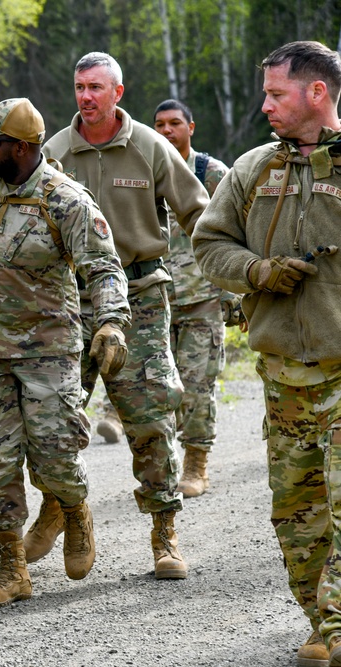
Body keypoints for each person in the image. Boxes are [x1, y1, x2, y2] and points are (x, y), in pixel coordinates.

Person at [193, 40, 341, 667]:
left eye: (277, 94)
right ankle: (320, 622)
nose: (265, 107)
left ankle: (337, 627)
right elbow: (209, 243)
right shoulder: (253, 170)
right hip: (283, 380)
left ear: (317, 93)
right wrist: (255, 271)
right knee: (298, 515)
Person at [39, 52, 209, 580]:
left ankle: (165, 533)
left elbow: (198, 212)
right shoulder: (56, 151)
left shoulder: (150, 146)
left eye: (95, 87)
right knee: (55, 420)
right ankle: (60, 510)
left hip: (139, 298)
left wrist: (227, 280)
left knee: (149, 419)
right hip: (75, 302)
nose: (85, 97)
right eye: (78, 86)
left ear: (117, 91)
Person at [0, 98, 129, 607]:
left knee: (56, 456)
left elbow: (103, 267)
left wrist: (113, 324)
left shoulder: (66, 201)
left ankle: (73, 509)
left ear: (21, 147)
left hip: (49, 353)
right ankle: (11, 568)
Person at [152, 99, 233, 498]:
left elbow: (237, 231)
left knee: (198, 386)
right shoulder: (147, 167)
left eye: (174, 124)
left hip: (202, 298)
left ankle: (196, 462)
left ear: (191, 127)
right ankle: (162, 467)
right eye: (159, 124)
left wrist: (235, 290)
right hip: (155, 298)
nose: (166, 131)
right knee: (159, 390)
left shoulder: (211, 173)